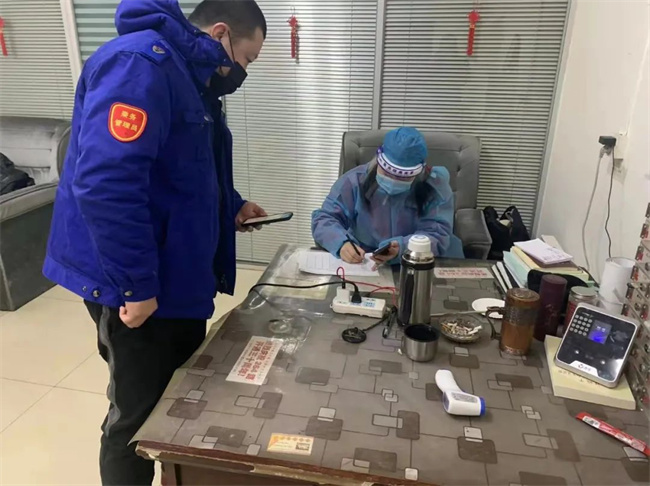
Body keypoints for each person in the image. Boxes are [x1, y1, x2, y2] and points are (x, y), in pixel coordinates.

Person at [43, 1, 267, 484]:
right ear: (221, 33)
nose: (243, 72)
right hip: (137, 284)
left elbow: (184, 168)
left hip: (177, 276)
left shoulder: (191, 77)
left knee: (177, 400)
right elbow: (107, 186)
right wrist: (137, 286)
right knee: (136, 416)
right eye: (246, 58)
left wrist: (231, 206)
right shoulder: (139, 65)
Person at [312, 127, 464, 265]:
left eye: (403, 177)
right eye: (387, 173)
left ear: (419, 173)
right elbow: (325, 219)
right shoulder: (353, 182)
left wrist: (402, 248)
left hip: (418, 259)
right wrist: (342, 243)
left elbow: (437, 233)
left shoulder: (435, 186)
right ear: (377, 161)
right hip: (365, 259)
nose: (393, 181)